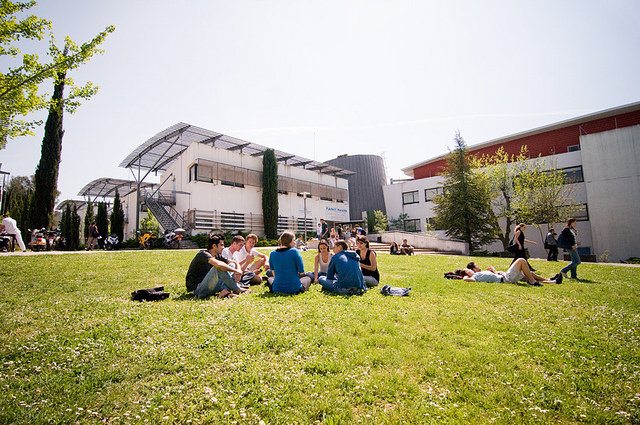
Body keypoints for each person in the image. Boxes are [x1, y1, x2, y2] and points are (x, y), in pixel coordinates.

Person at [186, 234, 251, 298]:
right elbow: (218, 265)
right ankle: (237, 289)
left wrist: (238, 270)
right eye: (221, 245)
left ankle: (225, 291)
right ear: (214, 245)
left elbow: (234, 262)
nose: (223, 247)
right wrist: (235, 271)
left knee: (231, 265)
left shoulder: (217, 256)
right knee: (218, 267)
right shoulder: (203, 254)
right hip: (197, 289)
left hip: (210, 286)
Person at [462, 258, 561, 286]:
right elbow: (469, 280)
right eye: (476, 266)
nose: (478, 266)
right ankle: (532, 282)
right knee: (521, 260)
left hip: (505, 277)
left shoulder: (481, 274)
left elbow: (495, 277)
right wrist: (464, 277)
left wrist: (493, 271)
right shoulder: (476, 276)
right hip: (506, 279)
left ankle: (551, 281)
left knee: (528, 273)